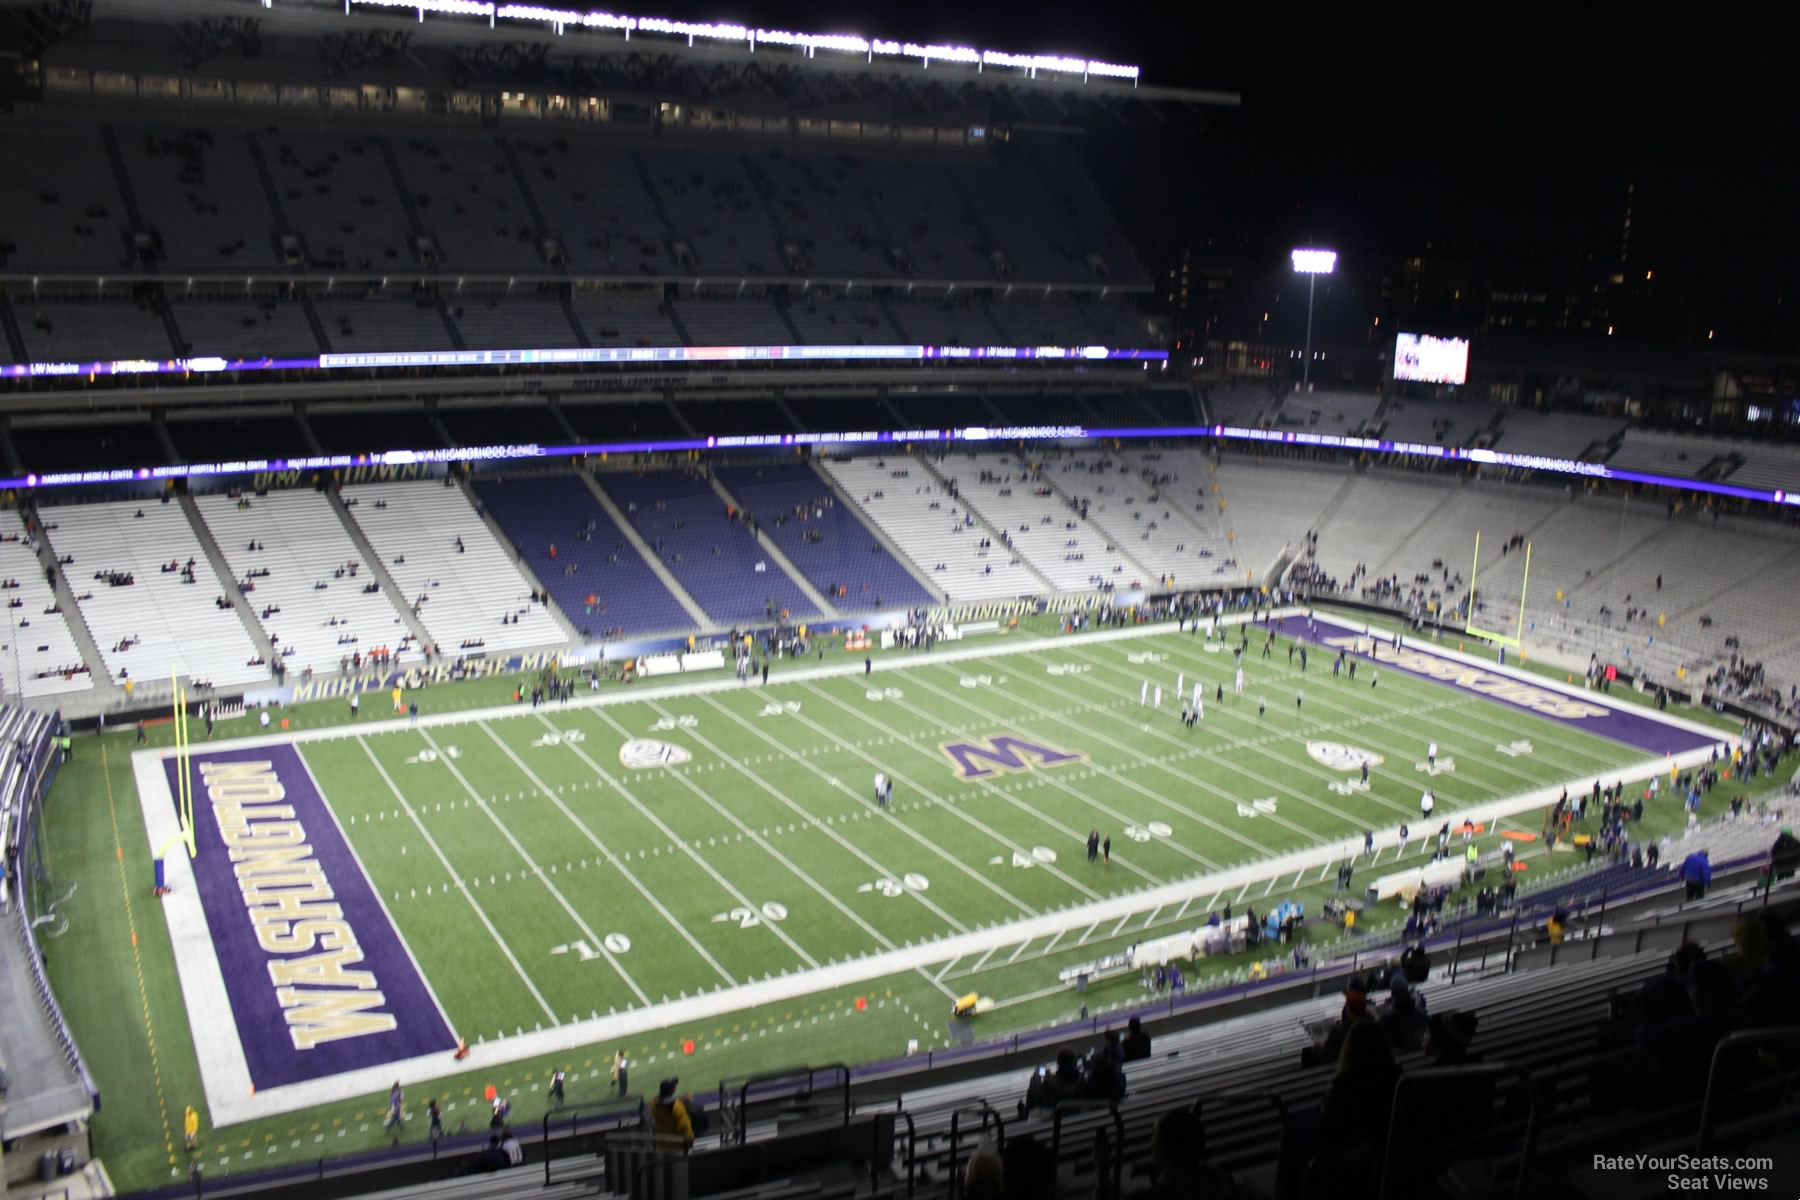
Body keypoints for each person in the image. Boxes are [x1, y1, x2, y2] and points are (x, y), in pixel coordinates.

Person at [1303, 1020, 1401, 1199]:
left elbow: (1326, 1138)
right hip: (1389, 1167)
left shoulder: (1344, 1088)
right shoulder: (1397, 1079)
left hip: (1351, 1176)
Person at [651, 1078, 695, 1148]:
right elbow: (685, 1128)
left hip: (661, 1144)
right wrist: (690, 1143)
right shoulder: (677, 1107)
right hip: (677, 1146)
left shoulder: (653, 1103)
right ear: (672, 1090)